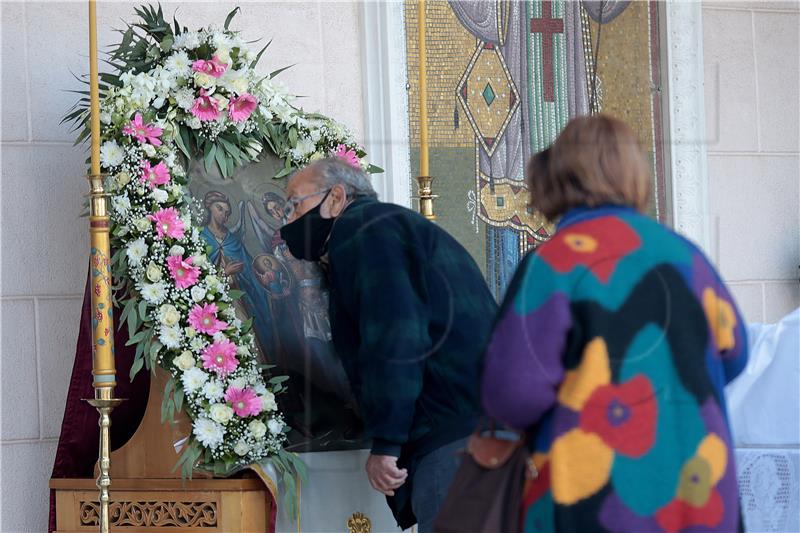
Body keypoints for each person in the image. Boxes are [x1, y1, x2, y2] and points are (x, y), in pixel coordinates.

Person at [481, 115, 748, 532]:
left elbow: (511, 394)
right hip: (700, 497)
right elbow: (735, 358)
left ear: (557, 174)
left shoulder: (554, 263)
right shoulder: (688, 257)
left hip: (595, 501)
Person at [279, 158, 498, 531]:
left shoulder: (362, 231)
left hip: (453, 439)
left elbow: (396, 335)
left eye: (295, 204)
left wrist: (388, 444)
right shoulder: (388, 226)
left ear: (335, 197)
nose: (287, 221)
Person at [200, 191, 275, 362]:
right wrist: (225, 273)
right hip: (217, 301)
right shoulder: (201, 237)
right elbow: (198, 277)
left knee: (248, 337)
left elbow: (249, 267)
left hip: (239, 297)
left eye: (226, 212)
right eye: (219, 209)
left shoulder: (232, 240)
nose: (223, 215)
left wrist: (261, 278)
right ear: (209, 207)